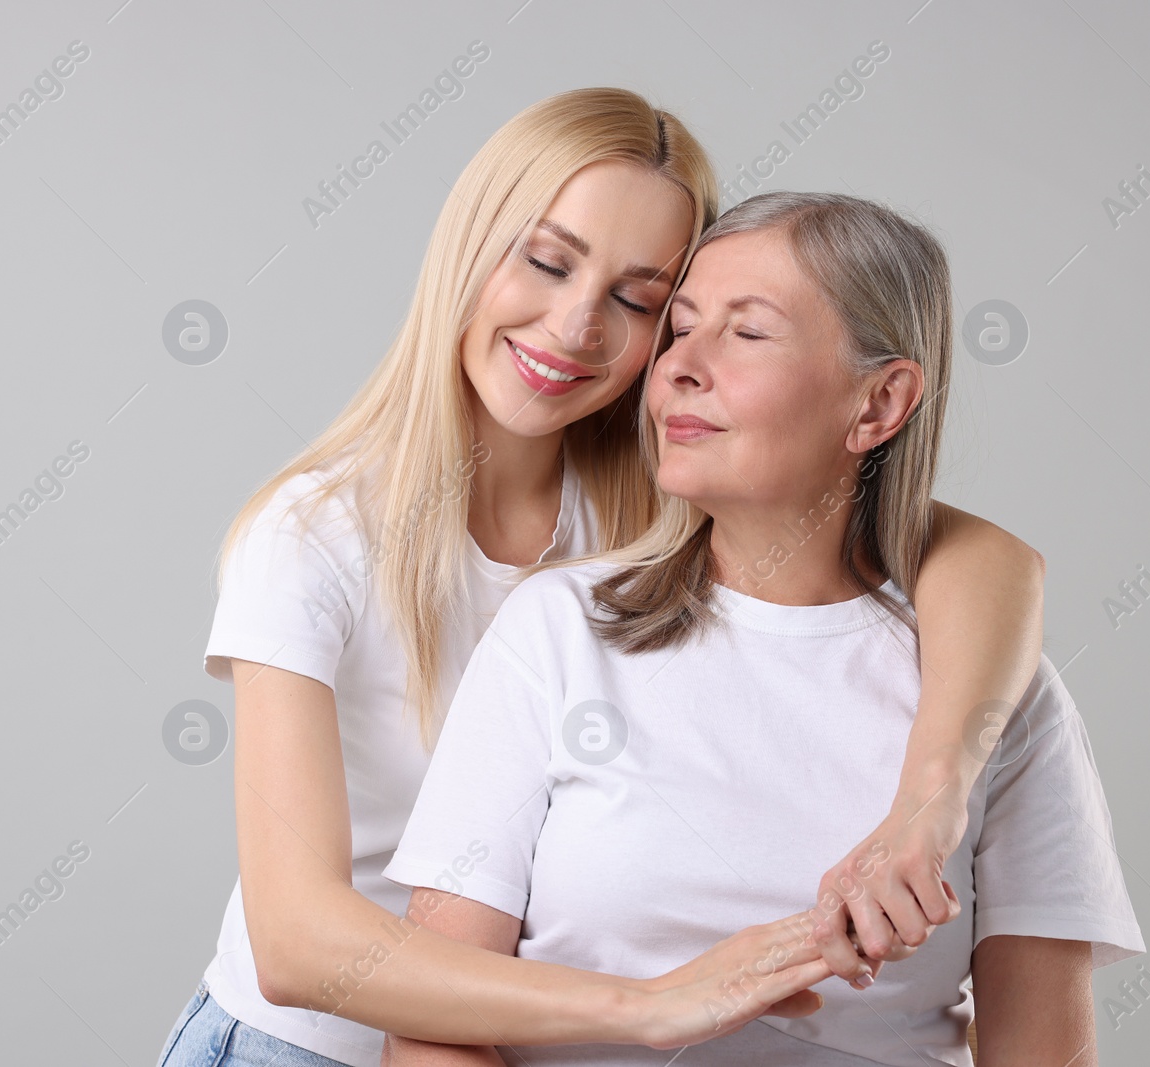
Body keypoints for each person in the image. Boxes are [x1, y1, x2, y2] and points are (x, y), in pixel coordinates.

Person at [159, 88, 1047, 1067]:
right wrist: (651, 1005)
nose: (576, 325)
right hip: (299, 1046)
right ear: (469, 247)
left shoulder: (655, 508)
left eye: (638, 300)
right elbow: (296, 943)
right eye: (544, 261)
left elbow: (984, 558)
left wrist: (934, 792)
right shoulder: (315, 535)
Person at [381, 191, 1143, 1067]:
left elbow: (1043, 1055)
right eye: (681, 329)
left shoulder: (996, 689)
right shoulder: (557, 632)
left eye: (746, 334)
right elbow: (433, 1020)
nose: (678, 369)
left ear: (879, 404)